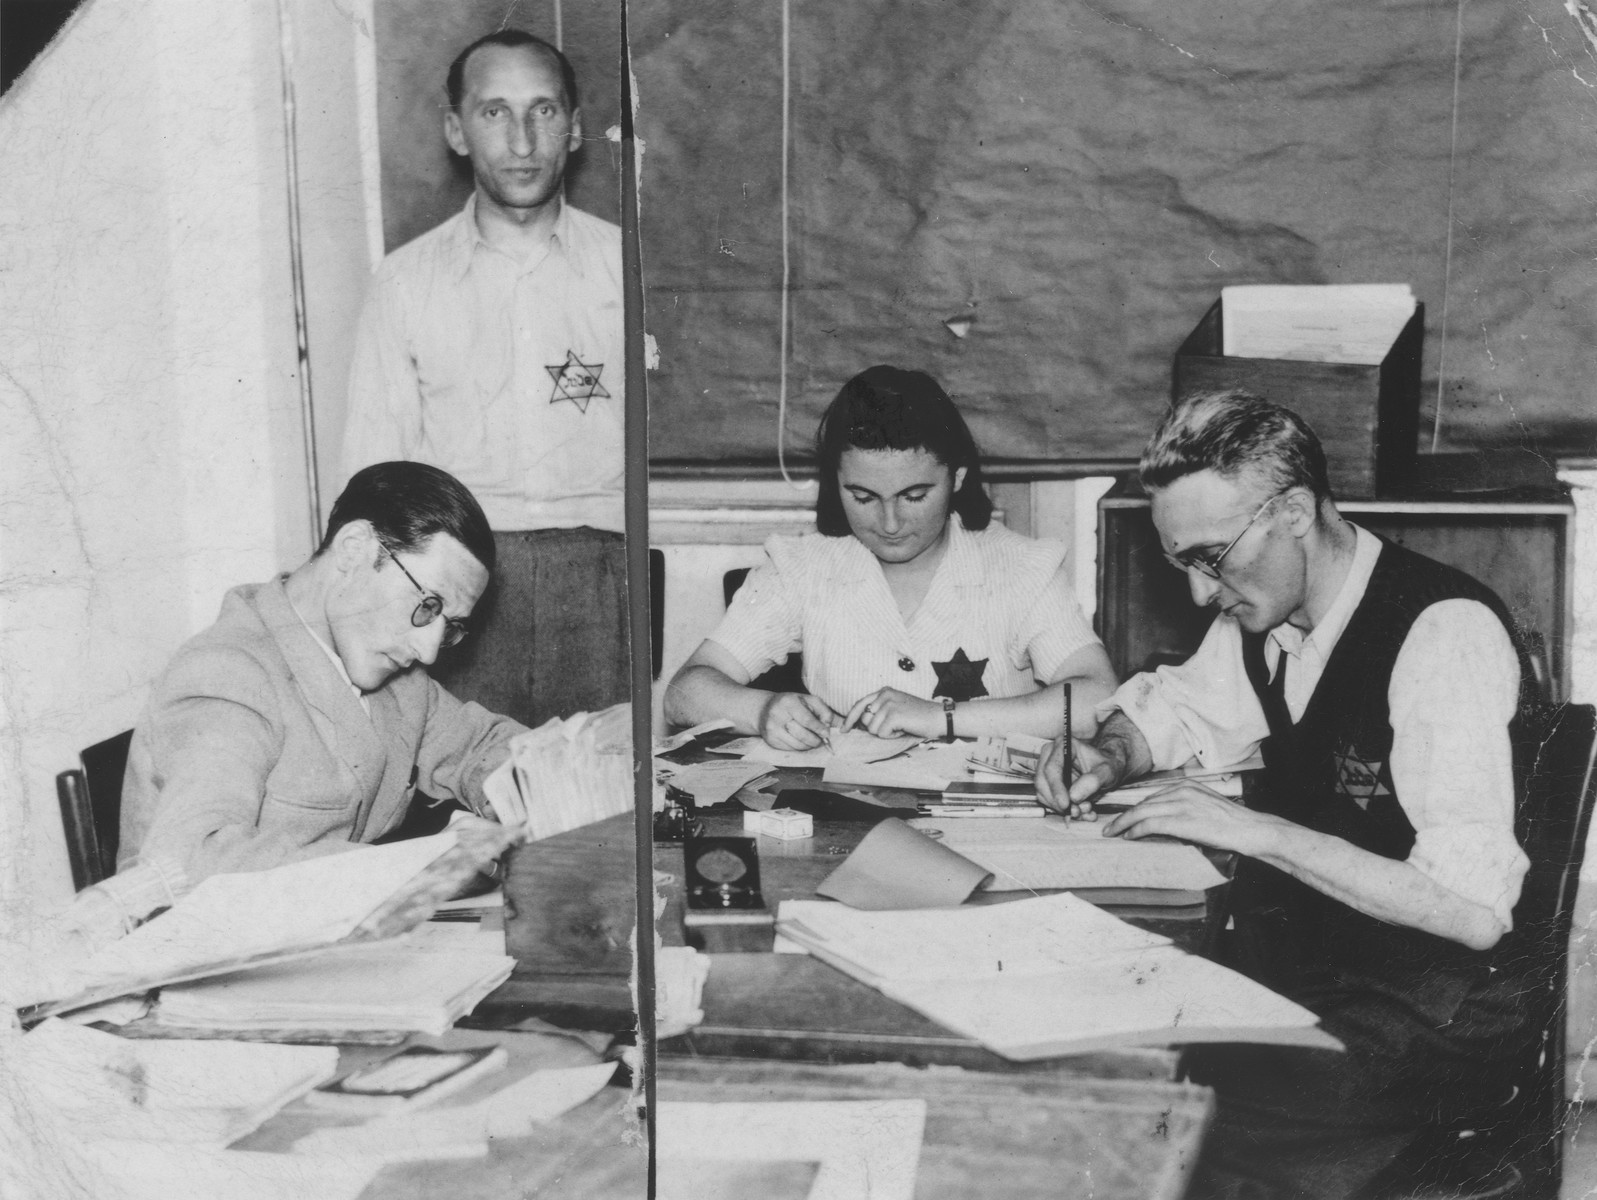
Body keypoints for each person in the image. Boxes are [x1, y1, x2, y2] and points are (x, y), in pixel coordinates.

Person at [1034, 391, 1535, 1199]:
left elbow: (1473, 911)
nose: (1201, 593)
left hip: (1431, 1013)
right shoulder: (1263, 618)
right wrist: (1105, 754)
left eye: (1212, 557)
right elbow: (1172, 711)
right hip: (1323, 980)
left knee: (1158, 1108)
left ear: (1294, 510)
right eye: (1182, 564)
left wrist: (1256, 831)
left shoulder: (1441, 633)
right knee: (1101, 1048)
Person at [100, 461, 532, 933]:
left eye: (450, 624)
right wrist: (421, 865)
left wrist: (547, 785)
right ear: (354, 550)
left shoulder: (387, 669)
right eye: (427, 605)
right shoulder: (226, 672)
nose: (428, 647)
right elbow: (193, 863)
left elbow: (482, 748)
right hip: (217, 975)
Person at [340, 29, 626, 729]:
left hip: (598, 578)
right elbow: (373, 470)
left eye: (545, 111)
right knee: (460, 801)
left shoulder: (630, 269)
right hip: (458, 581)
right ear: (456, 131)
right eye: (495, 112)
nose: (523, 141)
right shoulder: (406, 282)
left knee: (597, 806)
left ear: (577, 128)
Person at [665, 365, 1117, 748]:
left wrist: (942, 718)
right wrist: (760, 710)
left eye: (915, 495)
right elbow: (684, 693)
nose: (890, 522)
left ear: (957, 477)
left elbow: (1097, 697)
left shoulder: (1021, 568)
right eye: (862, 496)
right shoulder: (801, 568)